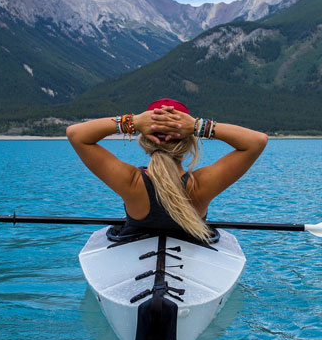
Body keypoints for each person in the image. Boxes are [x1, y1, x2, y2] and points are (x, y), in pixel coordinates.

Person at [66, 98, 268, 242]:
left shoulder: (130, 182)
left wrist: (133, 122)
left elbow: (76, 134)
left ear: (145, 140)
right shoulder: (200, 185)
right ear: (189, 141)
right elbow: (257, 141)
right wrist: (198, 125)